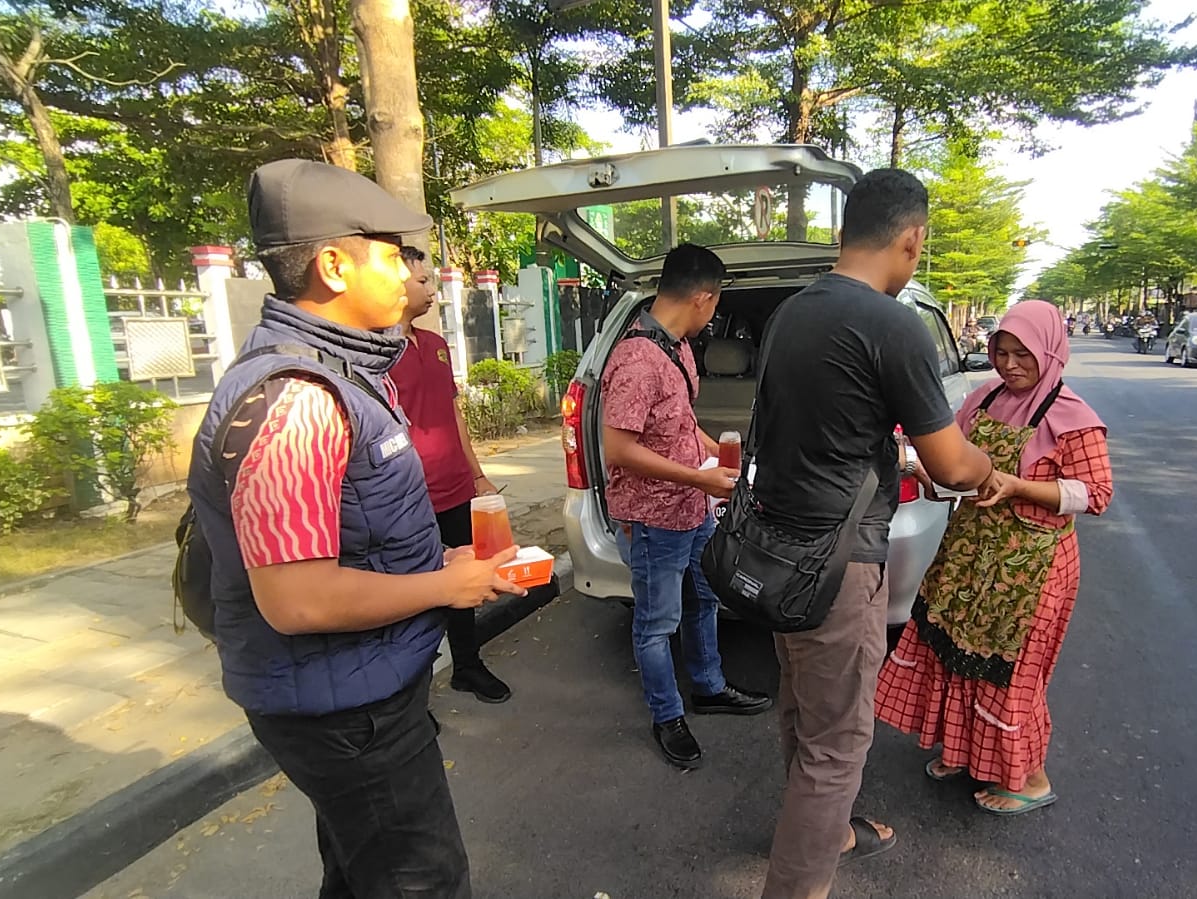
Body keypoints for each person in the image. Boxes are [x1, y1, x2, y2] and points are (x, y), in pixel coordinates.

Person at [186, 159, 526, 899]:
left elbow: (354, 530)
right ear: (334, 265)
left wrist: (439, 556)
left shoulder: (344, 374)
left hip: (356, 690)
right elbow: (297, 599)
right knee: (421, 882)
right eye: (394, 253)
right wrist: (444, 582)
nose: (411, 273)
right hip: (345, 711)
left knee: (357, 873)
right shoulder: (299, 399)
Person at [751, 169, 999, 899]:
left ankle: (833, 830)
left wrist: (888, 458)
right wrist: (985, 464)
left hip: (775, 553)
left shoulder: (789, 314)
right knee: (838, 744)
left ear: (843, 231)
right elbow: (954, 465)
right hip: (837, 566)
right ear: (911, 238)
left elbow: (816, 432)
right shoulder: (892, 324)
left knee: (801, 710)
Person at [876, 300, 1113, 816]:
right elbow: (954, 459)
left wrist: (1020, 486)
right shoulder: (984, 399)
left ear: (1049, 351)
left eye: (1022, 354)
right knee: (953, 655)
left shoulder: (1073, 418)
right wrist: (912, 460)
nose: (1010, 364)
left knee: (1013, 673)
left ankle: (1030, 778)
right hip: (970, 553)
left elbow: (1095, 494)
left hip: (1032, 567)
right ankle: (965, 753)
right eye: (1001, 352)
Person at [601, 243, 773, 770]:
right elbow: (619, 448)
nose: (714, 313)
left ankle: (708, 686)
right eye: (715, 302)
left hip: (691, 507)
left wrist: (720, 463)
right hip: (653, 517)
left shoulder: (675, 348)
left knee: (704, 599)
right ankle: (666, 714)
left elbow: (678, 426)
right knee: (656, 622)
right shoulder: (635, 358)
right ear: (702, 297)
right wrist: (695, 475)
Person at [388, 245, 512, 702]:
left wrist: (476, 474)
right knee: (415, 597)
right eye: (422, 281)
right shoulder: (374, 355)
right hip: (405, 500)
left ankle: (467, 666)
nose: (431, 291)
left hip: (456, 488)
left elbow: (452, 413)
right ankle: (412, 697)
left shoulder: (436, 345)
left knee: (465, 586)